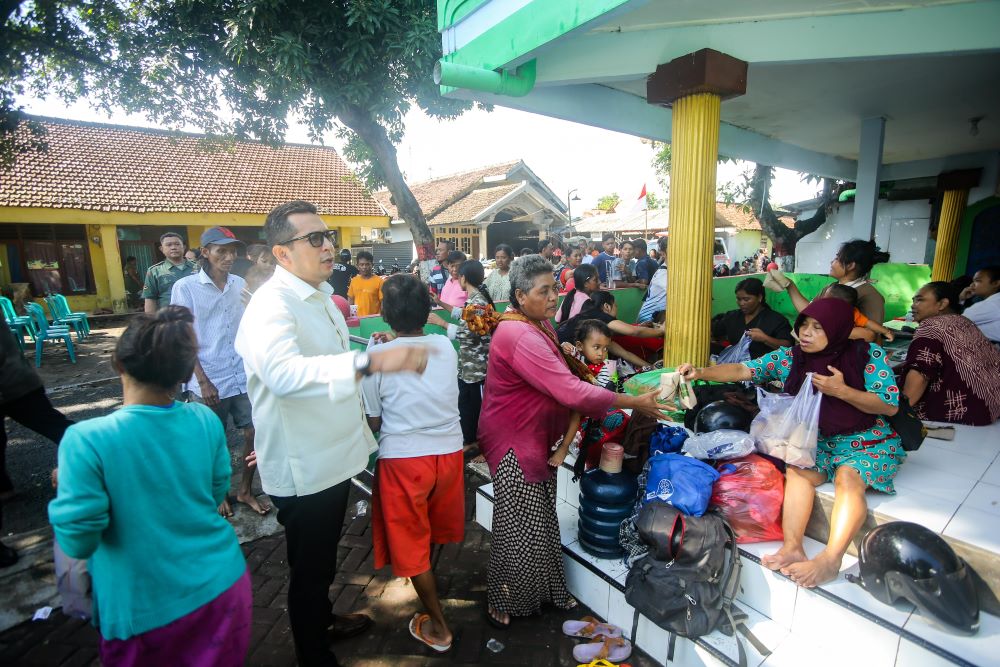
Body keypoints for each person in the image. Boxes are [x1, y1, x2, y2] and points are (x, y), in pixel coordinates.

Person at [235, 200, 431, 667]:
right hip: (307, 466)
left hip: (332, 455)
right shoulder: (271, 306)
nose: (330, 247)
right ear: (282, 253)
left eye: (330, 238)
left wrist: (369, 346)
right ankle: (314, 654)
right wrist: (372, 361)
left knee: (323, 562)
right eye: (316, 239)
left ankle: (322, 621)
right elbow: (284, 374)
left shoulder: (317, 294)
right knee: (310, 569)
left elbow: (323, 359)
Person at [49, 307, 250, 665]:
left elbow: (78, 539)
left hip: (144, 609)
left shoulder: (86, 441)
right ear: (187, 372)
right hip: (223, 585)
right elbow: (217, 490)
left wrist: (66, 489)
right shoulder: (204, 419)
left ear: (118, 363)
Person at [478, 255, 669, 627]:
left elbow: (563, 372)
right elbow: (570, 391)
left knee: (540, 518)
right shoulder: (517, 333)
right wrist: (632, 401)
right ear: (519, 295)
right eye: (544, 290)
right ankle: (505, 597)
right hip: (514, 440)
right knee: (516, 522)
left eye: (555, 288)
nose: (554, 297)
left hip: (536, 437)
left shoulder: (539, 324)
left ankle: (547, 590)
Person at [679, 298, 903, 588]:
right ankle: (793, 547)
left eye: (818, 327)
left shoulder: (866, 355)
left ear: (837, 329)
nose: (806, 333)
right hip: (816, 442)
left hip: (865, 439)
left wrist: (843, 391)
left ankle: (831, 559)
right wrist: (701, 372)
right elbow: (743, 370)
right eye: (804, 325)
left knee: (847, 480)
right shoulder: (792, 357)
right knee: (797, 471)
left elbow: (889, 406)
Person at [360, 275, 464, 653]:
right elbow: (433, 343)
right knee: (431, 529)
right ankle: (428, 580)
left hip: (405, 459)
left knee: (410, 540)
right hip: (449, 453)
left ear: (385, 314)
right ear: (427, 308)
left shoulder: (373, 357)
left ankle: (439, 626)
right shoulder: (444, 346)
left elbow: (374, 419)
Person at [171, 226, 269, 517]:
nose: (228, 257)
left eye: (232, 251)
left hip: (242, 374)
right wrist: (202, 380)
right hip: (208, 377)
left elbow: (252, 325)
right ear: (205, 252)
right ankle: (217, 493)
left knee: (253, 433)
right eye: (221, 251)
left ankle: (245, 489)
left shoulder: (240, 283)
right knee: (211, 441)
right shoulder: (186, 287)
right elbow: (182, 336)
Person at [0, 319, 74, 567]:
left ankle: (98, 467)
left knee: (59, 427)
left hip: (13, 380)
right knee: (57, 425)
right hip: (16, 377)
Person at [897, 282, 1000, 426]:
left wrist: (898, 412)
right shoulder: (964, 321)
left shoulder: (931, 326)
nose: (913, 305)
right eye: (913, 300)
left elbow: (920, 374)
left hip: (966, 412)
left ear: (942, 304)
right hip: (990, 406)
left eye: (920, 300)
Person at [428, 260, 493, 453]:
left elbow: (468, 333)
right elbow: (462, 314)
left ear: (464, 278)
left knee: (478, 409)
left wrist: (441, 323)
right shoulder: (473, 300)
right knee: (466, 407)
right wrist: (440, 302)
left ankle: (483, 445)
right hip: (467, 368)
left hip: (478, 369)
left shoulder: (478, 302)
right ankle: (470, 441)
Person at [551, 319, 617, 468]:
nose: (601, 353)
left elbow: (603, 391)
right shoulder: (579, 357)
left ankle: (564, 447)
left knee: (575, 411)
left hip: (589, 404)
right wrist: (564, 346)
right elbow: (566, 351)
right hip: (570, 398)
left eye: (605, 349)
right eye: (596, 347)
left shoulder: (607, 367)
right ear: (580, 346)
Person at [780, 239, 890, 328]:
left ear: (850, 265)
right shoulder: (831, 288)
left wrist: (822, 329)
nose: (832, 262)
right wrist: (789, 285)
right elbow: (810, 311)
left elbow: (870, 335)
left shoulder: (870, 296)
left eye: (837, 258)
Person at [557, 291, 664, 364]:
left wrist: (650, 367)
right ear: (607, 307)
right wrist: (661, 331)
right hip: (563, 354)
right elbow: (635, 332)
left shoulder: (594, 323)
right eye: (615, 306)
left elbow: (625, 354)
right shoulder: (599, 317)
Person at [711, 278, 794, 359]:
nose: (741, 303)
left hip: (761, 368)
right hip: (735, 364)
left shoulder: (776, 320)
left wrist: (765, 339)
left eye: (746, 299)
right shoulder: (732, 316)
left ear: (759, 297)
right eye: (738, 299)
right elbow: (715, 331)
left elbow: (788, 346)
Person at [141, 232, 197, 313]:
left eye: (177, 244)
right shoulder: (154, 271)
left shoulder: (198, 268)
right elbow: (150, 299)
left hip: (196, 318)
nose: (173, 247)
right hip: (168, 320)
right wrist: (152, 323)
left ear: (184, 247)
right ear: (161, 249)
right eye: (169, 245)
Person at [825, 284, 895, 342]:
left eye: (826, 298)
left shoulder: (853, 313)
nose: (822, 300)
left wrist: (885, 331)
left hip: (843, 343)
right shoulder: (821, 312)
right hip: (827, 339)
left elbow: (868, 323)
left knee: (870, 335)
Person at [960, 266, 1000, 342]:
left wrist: (961, 300)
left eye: (977, 281)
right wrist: (963, 300)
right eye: (973, 281)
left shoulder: (993, 304)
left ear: (996, 283)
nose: (972, 285)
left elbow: (955, 322)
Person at [637, 237, 668, 323]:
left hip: (650, 318)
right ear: (663, 254)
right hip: (649, 320)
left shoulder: (664, 271)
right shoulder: (663, 274)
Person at [348, 250, 383, 316]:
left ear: (372, 265)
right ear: (357, 266)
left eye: (367, 264)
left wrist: (381, 319)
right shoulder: (354, 281)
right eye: (361, 264)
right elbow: (351, 300)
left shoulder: (379, 281)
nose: (364, 267)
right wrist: (352, 318)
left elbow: (383, 302)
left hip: (374, 320)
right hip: (358, 321)